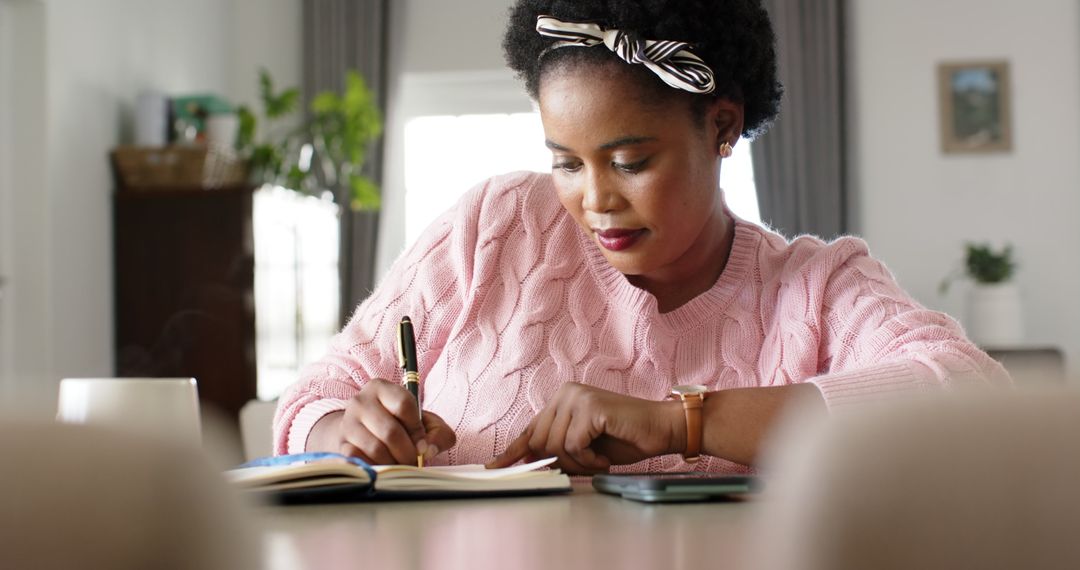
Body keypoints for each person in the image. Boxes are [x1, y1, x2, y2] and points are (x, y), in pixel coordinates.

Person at [273, 0, 1009, 475]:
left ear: (720, 126)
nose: (594, 200)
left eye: (630, 161)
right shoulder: (495, 226)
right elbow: (315, 396)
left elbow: (974, 400)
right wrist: (346, 427)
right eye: (565, 162)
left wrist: (683, 424)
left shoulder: (813, 289)